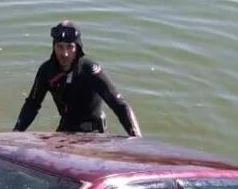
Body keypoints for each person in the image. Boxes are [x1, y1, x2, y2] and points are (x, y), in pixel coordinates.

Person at [12, 20, 141, 137]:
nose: (64, 53)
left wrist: (136, 138)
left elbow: (119, 105)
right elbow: (32, 104)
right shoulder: (46, 71)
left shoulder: (90, 70)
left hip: (93, 133)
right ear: (53, 47)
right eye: (60, 47)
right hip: (65, 130)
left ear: (77, 48)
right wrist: (16, 133)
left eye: (70, 47)